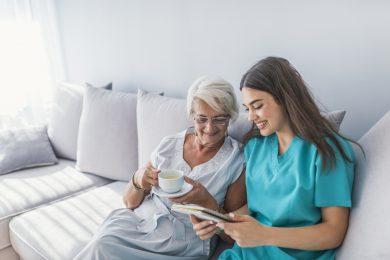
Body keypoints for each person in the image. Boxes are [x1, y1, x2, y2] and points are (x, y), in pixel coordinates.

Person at [191, 57, 358, 260]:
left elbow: (333, 232)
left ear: (285, 98)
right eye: (247, 108)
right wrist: (220, 223)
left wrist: (264, 235)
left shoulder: (326, 150)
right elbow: (254, 208)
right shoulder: (255, 147)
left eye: (257, 106)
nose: (251, 117)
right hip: (246, 254)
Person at [73, 76, 247, 260]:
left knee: (105, 248)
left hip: (180, 242)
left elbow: (230, 236)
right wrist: (139, 179)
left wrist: (206, 202)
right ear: (192, 115)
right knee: (103, 242)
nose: (209, 128)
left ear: (230, 117)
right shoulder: (169, 144)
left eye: (219, 119)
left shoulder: (236, 160)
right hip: (139, 222)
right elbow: (129, 203)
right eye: (202, 119)